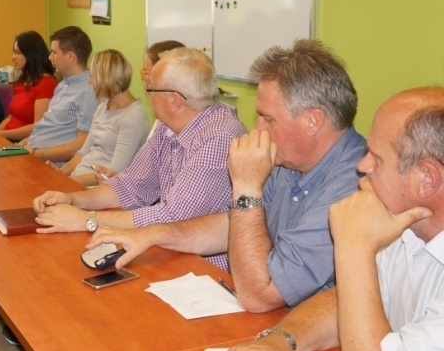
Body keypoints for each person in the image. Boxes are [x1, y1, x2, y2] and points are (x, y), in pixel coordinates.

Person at [87, 39, 365, 312]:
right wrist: (152, 235)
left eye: (268, 119)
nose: (257, 130)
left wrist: (246, 187)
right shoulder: (290, 161)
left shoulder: (351, 190)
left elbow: (260, 296)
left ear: (312, 121)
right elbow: (230, 225)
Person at [224, 87, 444, 351]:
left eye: (377, 158)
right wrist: (280, 341)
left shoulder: (380, 225)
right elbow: (347, 301)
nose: (363, 166)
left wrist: (353, 245)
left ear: (426, 178)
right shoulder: (404, 226)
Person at [33, 48, 246, 271]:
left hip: (205, 269)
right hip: (168, 250)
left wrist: (86, 219)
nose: (147, 95)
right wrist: (74, 200)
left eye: (150, 89)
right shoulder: (169, 126)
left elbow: (172, 216)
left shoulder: (220, 137)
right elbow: (130, 185)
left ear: (174, 101)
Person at [56, 49, 149, 187]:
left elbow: (114, 172)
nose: (89, 81)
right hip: (79, 181)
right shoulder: (103, 106)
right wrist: (59, 174)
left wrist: (66, 182)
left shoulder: (134, 116)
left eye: (93, 76)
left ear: (106, 78)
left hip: (100, 188)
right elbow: (83, 153)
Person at [19, 26, 98, 164]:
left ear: (70, 56)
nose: (50, 57)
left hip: (50, 164)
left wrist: (37, 154)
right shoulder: (62, 85)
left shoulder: (88, 91)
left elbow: (81, 145)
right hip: (33, 153)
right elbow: (49, 125)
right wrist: (26, 143)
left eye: (54, 52)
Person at [0, 31, 57, 141]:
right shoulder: (23, 81)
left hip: (23, 142)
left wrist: (1, 134)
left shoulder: (47, 83)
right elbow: (11, 117)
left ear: (31, 54)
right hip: (8, 138)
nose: (13, 57)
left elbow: (38, 127)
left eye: (17, 52)